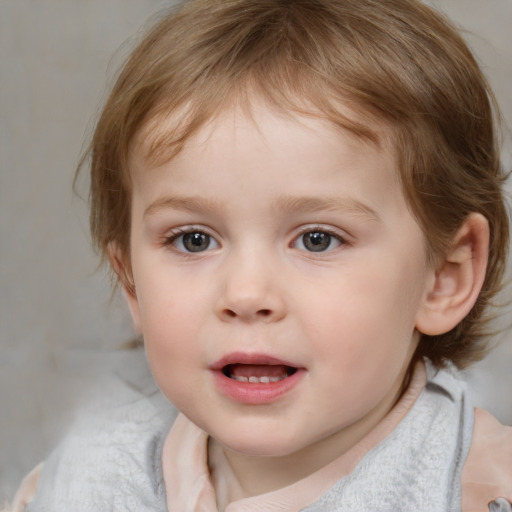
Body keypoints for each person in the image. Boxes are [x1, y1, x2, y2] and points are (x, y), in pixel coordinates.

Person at [7, 0, 512, 510]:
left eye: (318, 239)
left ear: (444, 277)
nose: (246, 295)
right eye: (193, 239)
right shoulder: (82, 481)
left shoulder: (476, 489)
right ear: (132, 282)